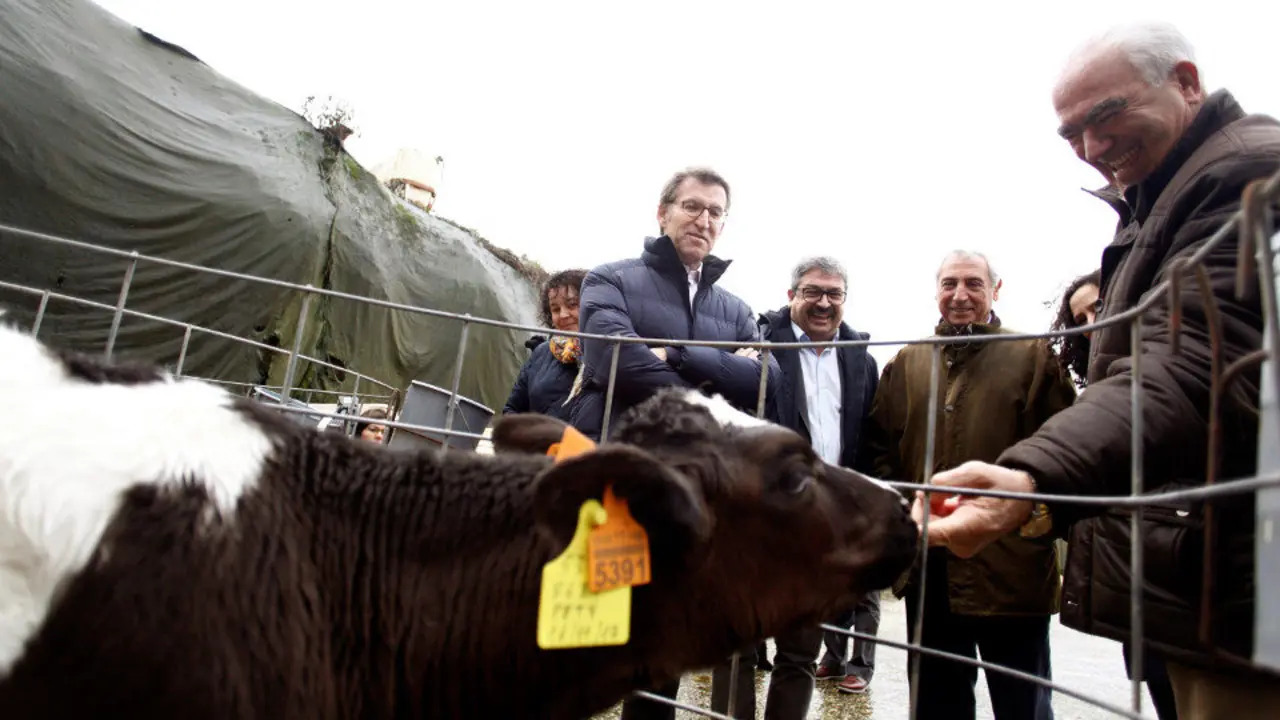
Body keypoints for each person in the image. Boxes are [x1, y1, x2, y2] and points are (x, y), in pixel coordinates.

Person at [919, 21, 1280, 719]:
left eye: (1107, 114)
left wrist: (1033, 476)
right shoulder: (1161, 200)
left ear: (1186, 82)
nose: (1091, 147)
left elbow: (1192, 365)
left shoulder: (1247, 176)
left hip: (1234, 585)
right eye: (1071, 134)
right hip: (1187, 575)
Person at [574, 167, 780, 720]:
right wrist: (717, 378)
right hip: (619, 488)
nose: (703, 220)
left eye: (715, 212)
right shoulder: (610, 279)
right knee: (585, 639)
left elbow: (766, 382)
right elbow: (611, 357)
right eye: (692, 207)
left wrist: (679, 356)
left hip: (690, 495)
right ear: (662, 213)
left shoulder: (736, 310)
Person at [863, 249, 1077, 720]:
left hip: (1011, 569)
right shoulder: (908, 361)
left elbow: (1066, 452)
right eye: (949, 284)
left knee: (1023, 704)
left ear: (995, 291)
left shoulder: (1034, 356)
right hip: (930, 569)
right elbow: (880, 450)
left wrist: (1037, 524)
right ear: (936, 291)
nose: (960, 295)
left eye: (973, 284)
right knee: (937, 703)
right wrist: (904, 523)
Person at [707, 256, 882, 719]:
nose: (823, 303)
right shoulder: (758, 347)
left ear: (845, 299)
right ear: (791, 296)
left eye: (834, 294)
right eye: (811, 292)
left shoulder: (862, 360)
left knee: (799, 653)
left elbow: (866, 440)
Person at [1050, 268, 1179, 720]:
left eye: (1099, 307)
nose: (1090, 322)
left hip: (1187, 556)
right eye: (1079, 316)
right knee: (1161, 685)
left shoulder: (1179, 363)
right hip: (1136, 566)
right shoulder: (1094, 392)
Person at [503, 268, 588, 420]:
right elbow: (513, 410)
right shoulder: (541, 353)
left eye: (572, 304)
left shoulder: (611, 353)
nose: (563, 314)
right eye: (555, 309)